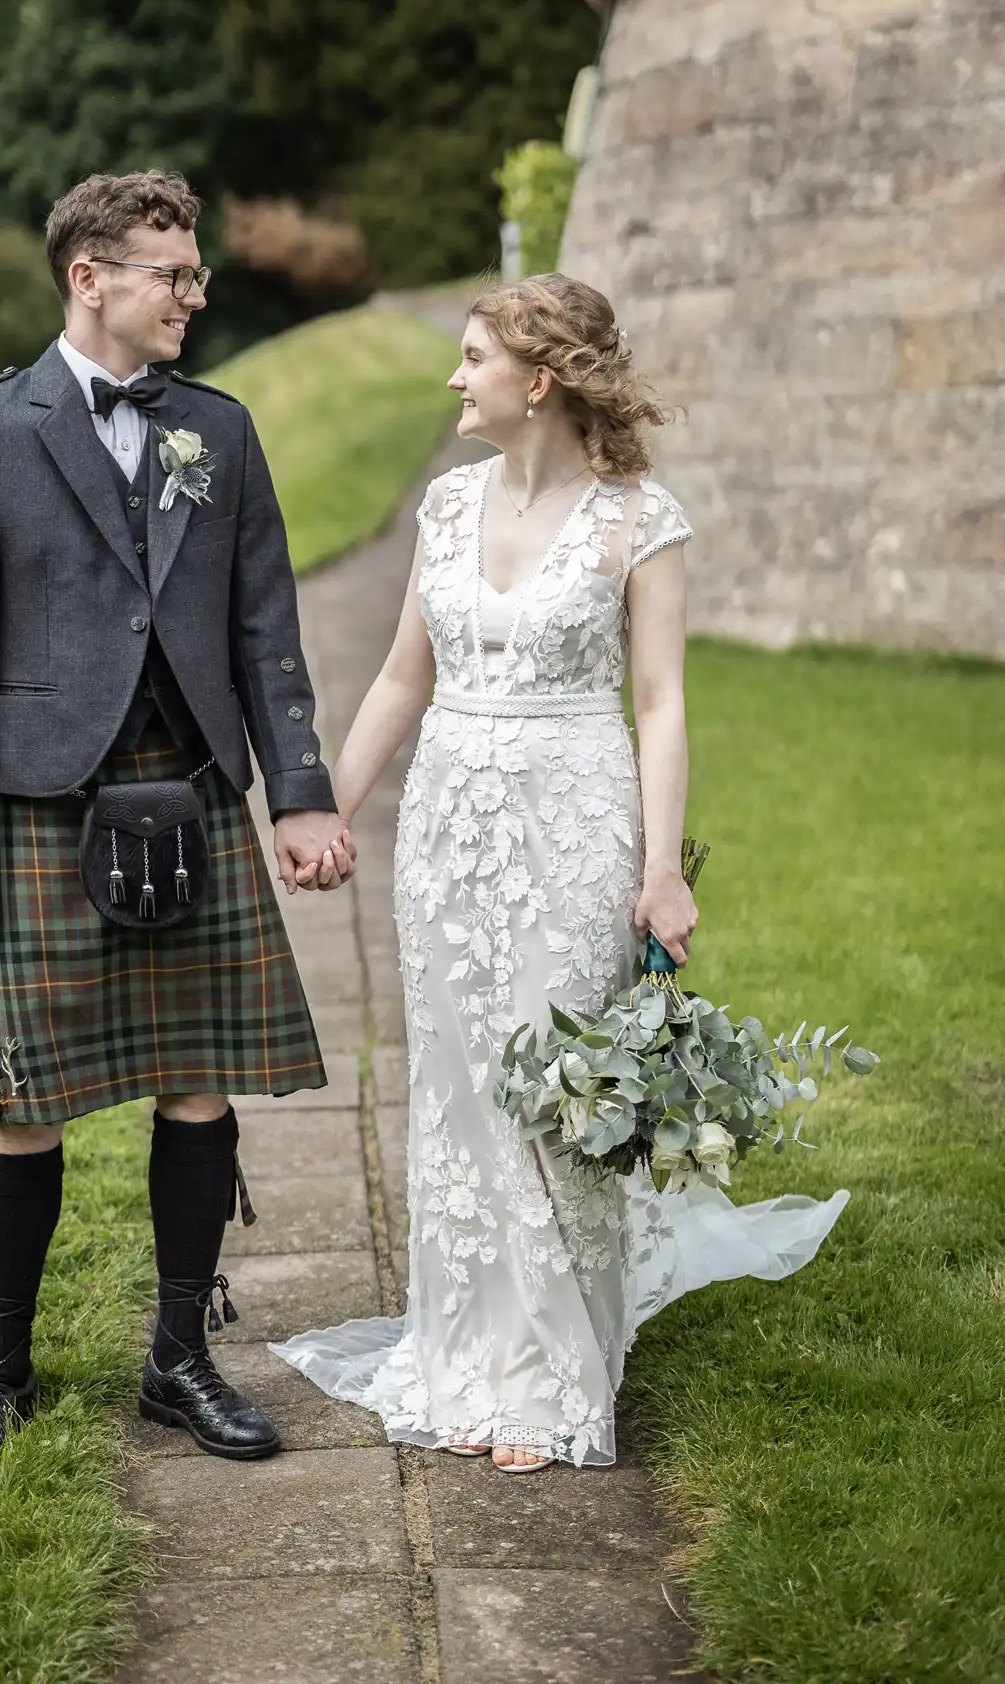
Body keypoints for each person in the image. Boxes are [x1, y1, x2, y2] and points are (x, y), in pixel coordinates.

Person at [274, 273, 846, 1472]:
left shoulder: (640, 520)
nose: (453, 374)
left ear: (537, 377)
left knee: (553, 1090)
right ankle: (463, 1347)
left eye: (472, 356)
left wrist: (659, 870)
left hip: (573, 825)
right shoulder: (442, 505)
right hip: (446, 835)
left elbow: (660, 702)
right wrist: (325, 802)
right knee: (458, 1087)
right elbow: (398, 679)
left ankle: (545, 1370)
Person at [0, 168, 354, 1467]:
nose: (196, 293)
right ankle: (2, 1378)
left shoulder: (217, 427)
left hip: (195, 785)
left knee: (198, 1081)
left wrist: (303, 790)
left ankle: (180, 1359)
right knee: (25, 1099)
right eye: (173, 271)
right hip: (48, 795)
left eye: (196, 268)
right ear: (87, 276)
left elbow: (264, 625)